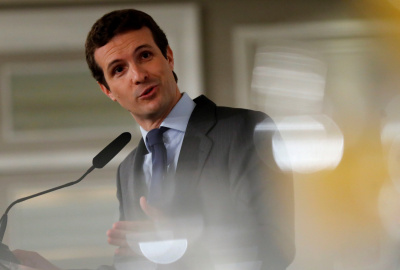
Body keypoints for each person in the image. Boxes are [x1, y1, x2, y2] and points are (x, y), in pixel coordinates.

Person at [13, 8, 295, 270]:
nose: (138, 75)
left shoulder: (245, 128)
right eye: (118, 70)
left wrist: (187, 235)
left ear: (168, 57)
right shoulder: (128, 169)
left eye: (145, 55)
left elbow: (276, 246)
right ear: (107, 90)